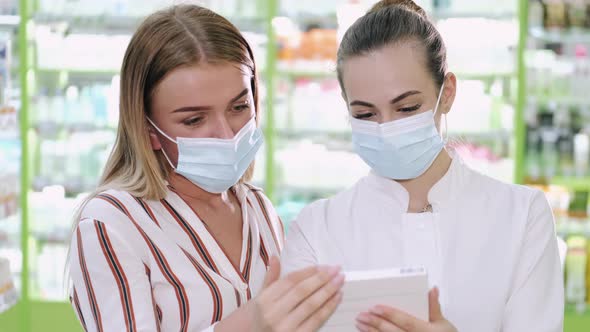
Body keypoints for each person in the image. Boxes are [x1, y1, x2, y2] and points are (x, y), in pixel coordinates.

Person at [281, 1, 564, 331]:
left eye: (407, 108)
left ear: (447, 94)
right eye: (365, 114)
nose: (386, 129)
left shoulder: (522, 216)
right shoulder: (316, 230)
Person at [67, 5, 344, 332]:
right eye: (194, 120)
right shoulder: (111, 225)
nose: (227, 134)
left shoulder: (257, 208)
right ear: (148, 130)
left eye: (239, 107)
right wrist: (247, 325)